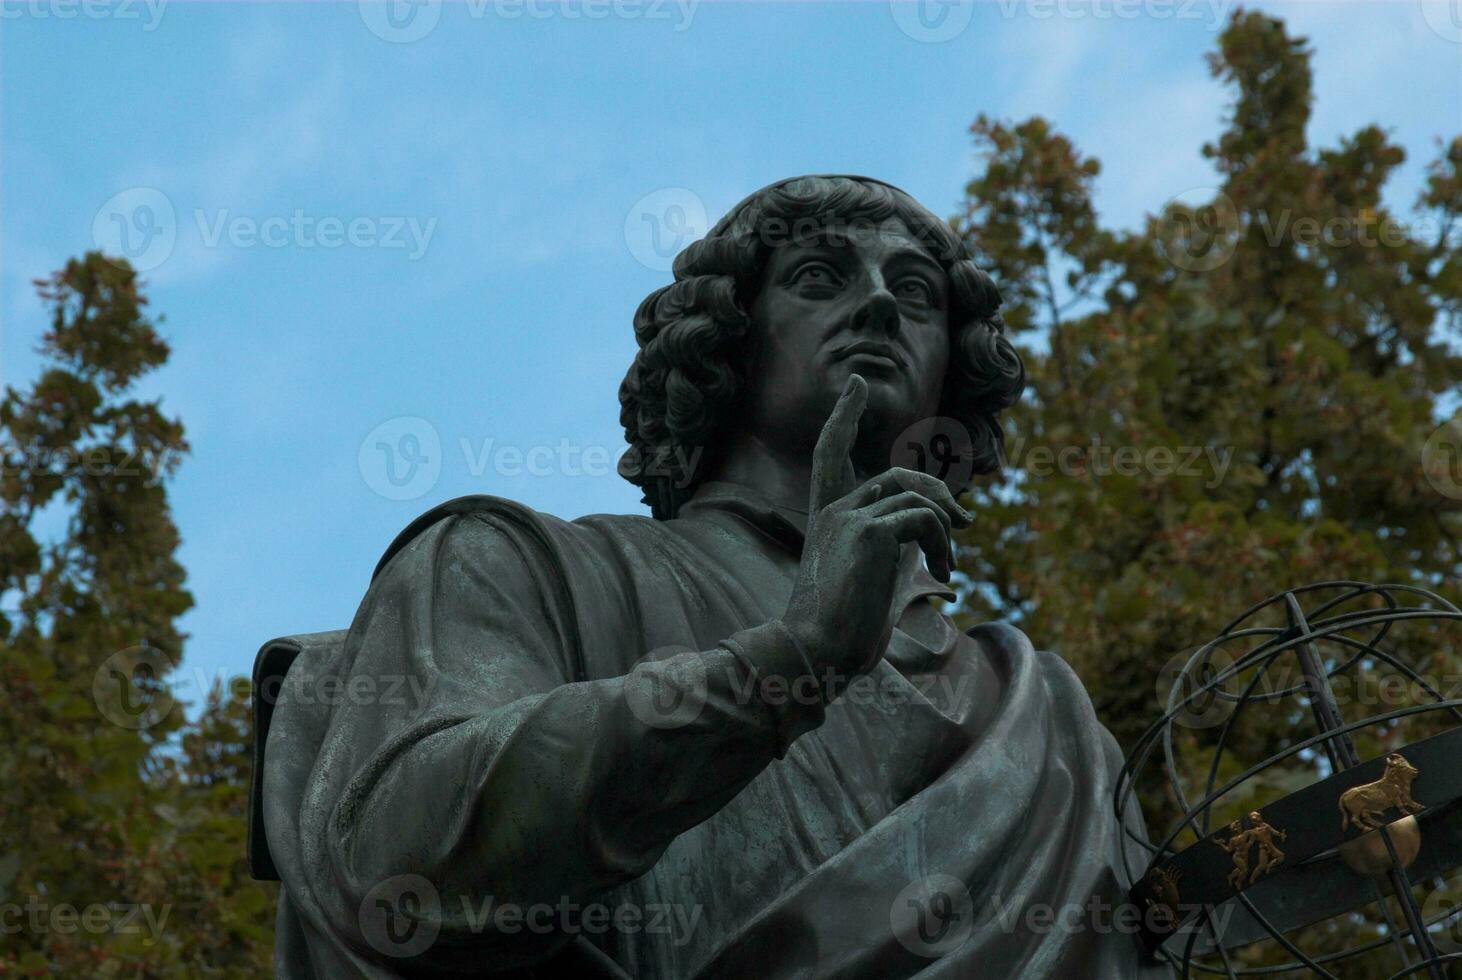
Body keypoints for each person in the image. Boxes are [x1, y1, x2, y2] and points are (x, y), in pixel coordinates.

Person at [261, 175, 1168, 978]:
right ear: (725, 345)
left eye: (918, 292)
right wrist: (781, 668)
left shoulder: (1050, 724)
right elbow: (398, 861)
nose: (881, 307)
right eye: (821, 276)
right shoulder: (521, 565)